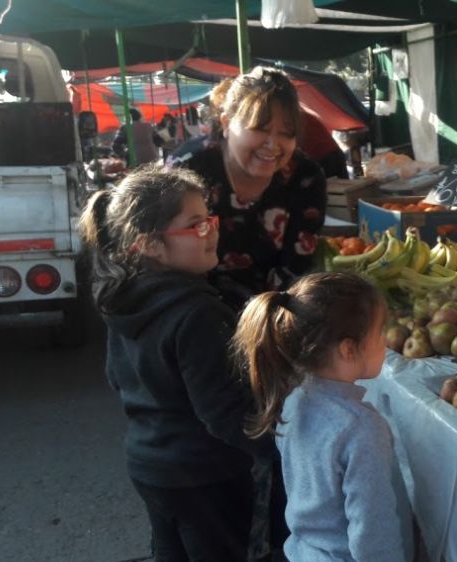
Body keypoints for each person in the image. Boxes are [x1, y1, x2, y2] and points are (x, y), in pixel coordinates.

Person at [78, 167, 272, 561]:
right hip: (205, 474)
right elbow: (223, 411)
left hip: (149, 464)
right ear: (150, 244)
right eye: (195, 225)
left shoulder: (127, 299)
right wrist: (279, 447)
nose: (212, 232)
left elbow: (117, 379)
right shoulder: (197, 313)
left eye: (210, 220)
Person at [232, 272, 408, 562]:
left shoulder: (294, 399)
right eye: (379, 333)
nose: (385, 341)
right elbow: (374, 532)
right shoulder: (363, 428)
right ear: (349, 349)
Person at [168, 66, 327, 311]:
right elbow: (169, 262)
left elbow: (296, 267)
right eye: (259, 129)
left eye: (286, 134)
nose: (273, 145)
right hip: (192, 314)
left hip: (271, 316)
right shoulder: (187, 170)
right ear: (226, 123)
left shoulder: (306, 178)